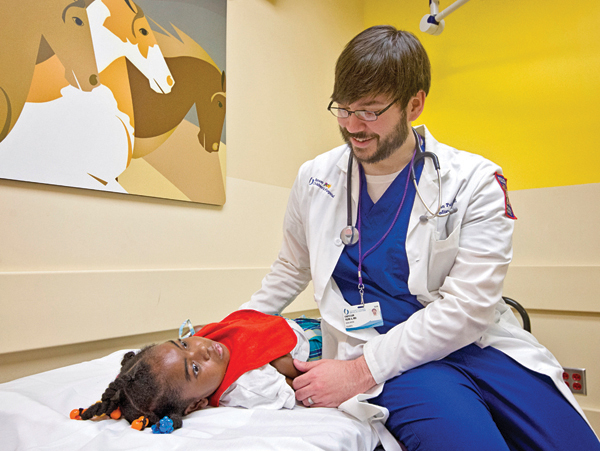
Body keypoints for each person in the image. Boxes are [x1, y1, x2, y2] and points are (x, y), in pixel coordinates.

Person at [241, 25, 600, 450]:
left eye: (371, 111)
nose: (353, 126)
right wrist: (228, 332)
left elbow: (469, 307)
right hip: (389, 356)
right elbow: (290, 269)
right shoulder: (315, 178)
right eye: (343, 108)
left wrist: (356, 374)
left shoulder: (475, 180)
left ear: (415, 104)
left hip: (479, 346)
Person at [71, 310, 310, 432]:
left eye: (183, 344)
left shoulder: (204, 341)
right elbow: (301, 383)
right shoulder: (247, 385)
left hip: (285, 321)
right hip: (311, 338)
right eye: (194, 369)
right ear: (197, 404)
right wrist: (281, 363)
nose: (202, 348)